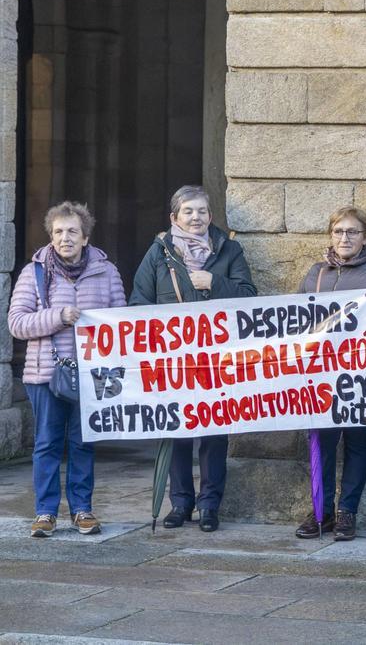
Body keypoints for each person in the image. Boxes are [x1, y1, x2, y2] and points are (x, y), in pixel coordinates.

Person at [130, 185, 257, 533]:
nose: (195, 217)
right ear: (175, 217)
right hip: (173, 362)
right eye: (188, 211)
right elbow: (139, 303)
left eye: (201, 211)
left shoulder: (229, 250)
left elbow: (249, 296)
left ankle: (209, 505)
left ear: (210, 216)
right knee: (176, 432)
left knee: (215, 434)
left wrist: (214, 282)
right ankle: (181, 503)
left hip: (218, 361)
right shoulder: (159, 254)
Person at [9, 202, 126, 538]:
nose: (65, 237)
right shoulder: (34, 273)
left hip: (91, 374)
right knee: (47, 443)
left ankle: (82, 510)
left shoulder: (107, 272)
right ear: (51, 236)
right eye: (59, 231)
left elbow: (121, 323)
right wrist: (58, 317)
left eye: (73, 231)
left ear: (85, 237)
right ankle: (45, 512)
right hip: (45, 374)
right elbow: (17, 323)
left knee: (83, 442)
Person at [293, 206, 366, 542]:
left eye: (352, 232)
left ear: (365, 237)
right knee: (322, 443)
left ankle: (347, 512)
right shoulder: (316, 274)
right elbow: (295, 321)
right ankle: (321, 510)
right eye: (339, 231)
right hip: (322, 376)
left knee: (358, 444)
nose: (345, 238)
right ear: (331, 236)